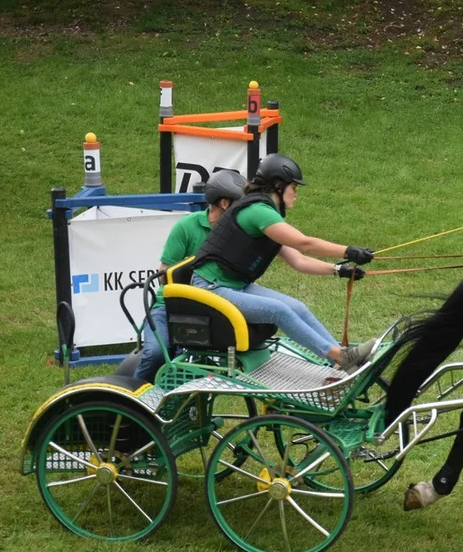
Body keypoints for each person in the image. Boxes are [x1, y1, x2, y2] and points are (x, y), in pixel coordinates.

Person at [189, 153, 377, 370]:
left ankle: (338, 359)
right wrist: (348, 250)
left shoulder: (265, 212)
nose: (296, 194)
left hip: (232, 285)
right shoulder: (258, 212)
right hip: (210, 288)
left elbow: (298, 261)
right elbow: (304, 243)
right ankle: (342, 357)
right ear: (278, 186)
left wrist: (339, 270)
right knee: (278, 311)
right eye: (293, 188)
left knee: (298, 307)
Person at [134, 169, 248, 382]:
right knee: (158, 353)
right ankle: (132, 399)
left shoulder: (238, 234)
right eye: (241, 205)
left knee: (191, 361)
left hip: (210, 310)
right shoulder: (187, 227)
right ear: (225, 204)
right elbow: (162, 275)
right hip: (168, 307)